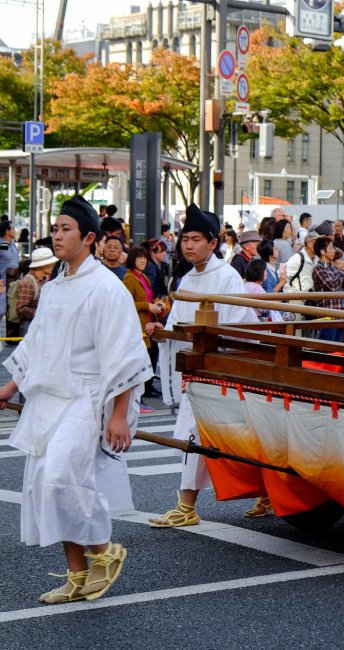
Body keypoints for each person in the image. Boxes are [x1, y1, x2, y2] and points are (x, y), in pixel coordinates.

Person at [0, 195, 152, 604]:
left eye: (65, 228)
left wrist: (119, 413)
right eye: (55, 228)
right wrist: (10, 387)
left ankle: (105, 551)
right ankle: (77, 575)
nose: (57, 234)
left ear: (88, 238)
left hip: (86, 399)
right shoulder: (53, 287)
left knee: (64, 478)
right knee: (47, 485)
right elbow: (36, 344)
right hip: (49, 398)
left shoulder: (106, 288)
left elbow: (124, 353)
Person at [147, 204, 258, 528]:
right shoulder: (186, 280)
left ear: (213, 242)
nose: (189, 245)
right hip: (196, 370)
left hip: (220, 370)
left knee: (210, 435)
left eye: (196, 239)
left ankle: (187, 505)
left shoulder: (227, 277)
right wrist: (162, 331)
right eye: (185, 239)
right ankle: (192, 504)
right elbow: (179, 325)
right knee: (215, 436)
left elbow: (238, 328)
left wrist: (202, 340)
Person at [123, 245, 165, 403]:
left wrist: (156, 302)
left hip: (148, 323)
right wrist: (148, 306)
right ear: (132, 259)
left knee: (151, 355)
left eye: (144, 258)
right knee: (142, 358)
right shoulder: (129, 279)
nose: (142, 260)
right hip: (138, 325)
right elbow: (126, 303)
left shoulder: (143, 277)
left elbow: (147, 298)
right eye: (139, 257)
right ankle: (139, 392)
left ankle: (148, 387)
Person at [312, 236, 344, 342]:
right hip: (327, 316)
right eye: (331, 248)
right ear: (322, 251)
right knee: (327, 347)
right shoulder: (318, 268)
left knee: (338, 347)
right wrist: (342, 271)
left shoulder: (332, 268)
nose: (334, 250)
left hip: (339, 314)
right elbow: (332, 287)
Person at [15, 247, 57, 337]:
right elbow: (21, 308)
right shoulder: (28, 282)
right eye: (50, 263)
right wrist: (40, 313)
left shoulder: (44, 279)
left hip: (39, 323)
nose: (54, 264)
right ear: (42, 265)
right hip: (29, 326)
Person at [0, 219, 19, 316]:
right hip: (2, 283)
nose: (15, 231)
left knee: (10, 312)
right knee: (1, 310)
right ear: (7, 231)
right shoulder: (3, 243)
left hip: (13, 283)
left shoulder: (13, 244)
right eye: (13, 228)